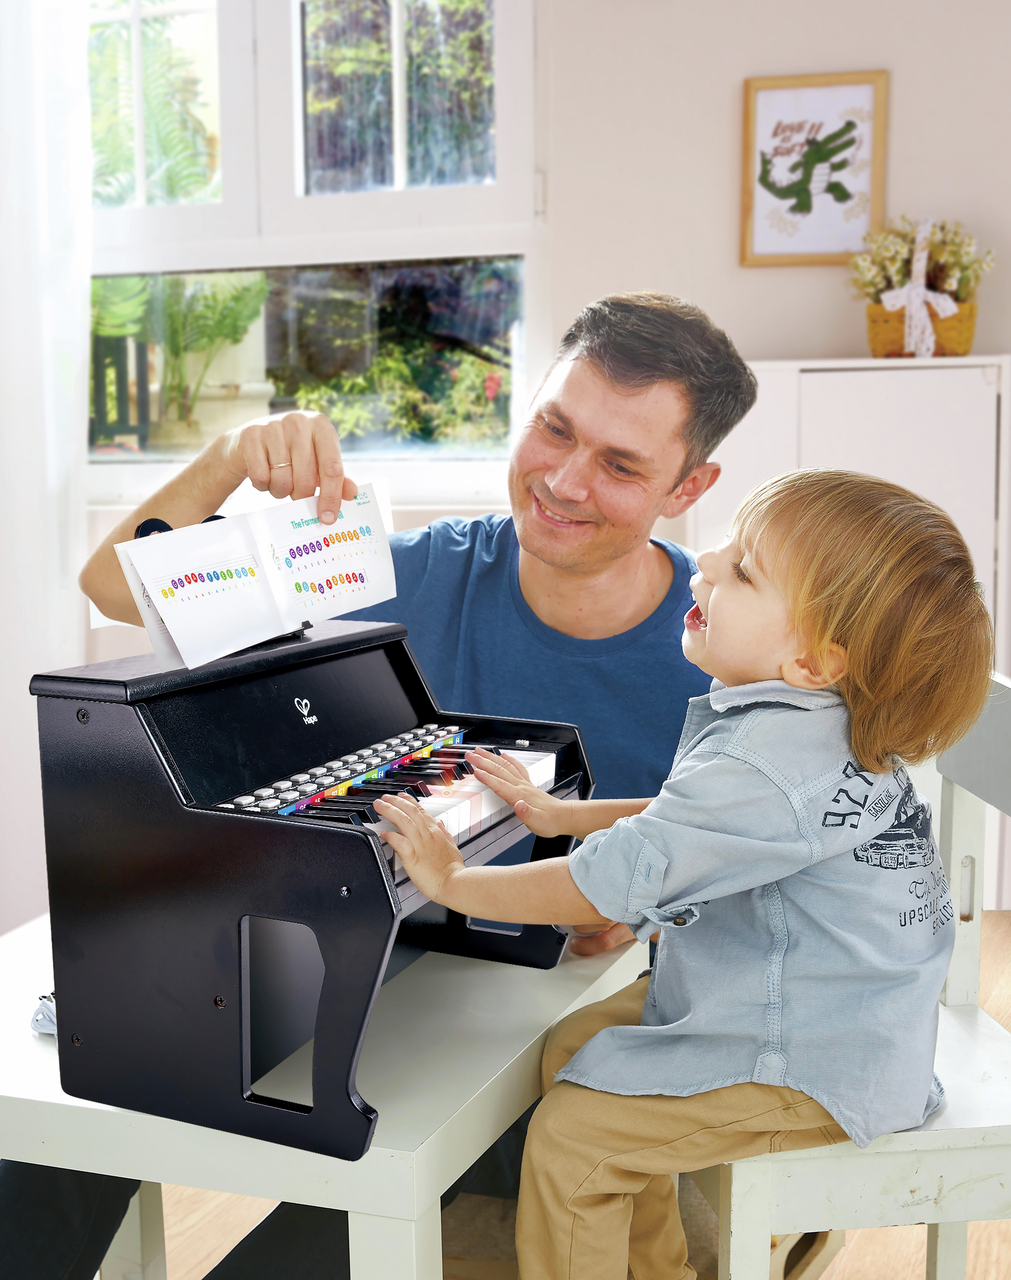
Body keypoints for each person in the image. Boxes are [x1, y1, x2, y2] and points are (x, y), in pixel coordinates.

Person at [1, 293, 757, 1278]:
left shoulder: (727, 650)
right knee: (49, 1149)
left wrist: (651, 920)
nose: (565, 481)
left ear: (687, 484)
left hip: (528, 1067)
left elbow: (763, 879)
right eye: (554, 428)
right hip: (357, 981)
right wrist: (234, 455)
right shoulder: (422, 573)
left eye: (620, 465)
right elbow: (113, 586)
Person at [375, 468, 994, 1280]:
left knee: (573, 1139)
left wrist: (453, 882)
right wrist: (560, 816)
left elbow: (605, 885)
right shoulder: (816, 725)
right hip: (830, 1008)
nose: (705, 557)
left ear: (813, 658)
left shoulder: (766, 764)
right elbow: (686, 821)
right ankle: (657, 1268)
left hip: (807, 1058)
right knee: (570, 1050)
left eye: (742, 570)